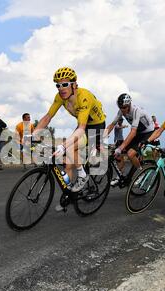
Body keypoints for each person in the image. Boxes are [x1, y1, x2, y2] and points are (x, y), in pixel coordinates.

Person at [32, 67, 106, 211]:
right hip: (81, 127)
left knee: (69, 147)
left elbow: (81, 127)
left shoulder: (84, 96)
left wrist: (64, 146)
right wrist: (33, 134)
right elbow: (48, 117)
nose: (61, 88)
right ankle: (69, 194)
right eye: (58, 85)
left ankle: (83, 175)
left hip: (95, 126)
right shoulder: (60, 97)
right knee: (67, 164)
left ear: (74, 84)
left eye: (65, 84)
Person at [104, 93, 155, 186]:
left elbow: (133, 132)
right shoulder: (121, 111)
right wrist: (102, 137)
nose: (122, 110)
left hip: (148, 132)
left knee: (130, 154)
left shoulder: (136, 110)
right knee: (117, 154)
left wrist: (121, 147)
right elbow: (112, 124)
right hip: (139, 132)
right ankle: (120, 175)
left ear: (128, 105)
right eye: (120, 107)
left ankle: (142, 173)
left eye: (123, 107)